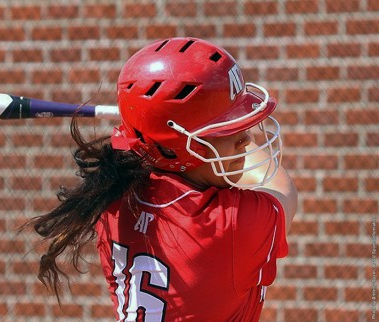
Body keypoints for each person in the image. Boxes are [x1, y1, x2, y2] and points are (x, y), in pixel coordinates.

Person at [26, 37, 298, 321]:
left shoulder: (113, 196)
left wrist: (148, 125)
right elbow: (282, 189)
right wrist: (153, 122)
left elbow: (134, 152)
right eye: (227, 128)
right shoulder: (226, 223)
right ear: (176, 147)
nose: (246, 138)